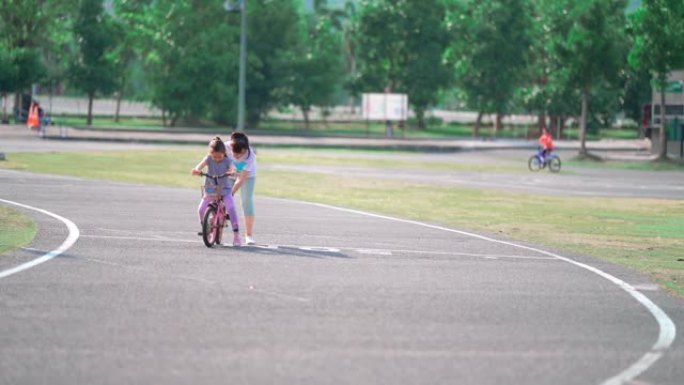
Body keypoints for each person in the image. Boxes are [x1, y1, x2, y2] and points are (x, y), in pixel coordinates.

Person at [191, 136, 241, 246]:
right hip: (210, 188)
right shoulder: (209, 158)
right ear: (211, 154)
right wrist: (197, 170)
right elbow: (200, 165)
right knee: (201, 209)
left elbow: (232, 167)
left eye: (220, 157)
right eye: (215, 157)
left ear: (224, 153)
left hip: (224, 190)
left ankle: (236, 234)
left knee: (231, 208)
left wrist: (232, 171)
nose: (217, 159)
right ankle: (206, 229)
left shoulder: (228, 160)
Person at [229, 131, 257, 245]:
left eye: (240, 155)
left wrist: (231, 193)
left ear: (246, 149)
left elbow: (241, 179)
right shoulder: (225, 146)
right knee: (222, 200)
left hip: (247, 177)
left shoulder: (251, 156)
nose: (237, 157)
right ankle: (216, 231)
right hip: (229, 174)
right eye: (234, 154)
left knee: (247, 201)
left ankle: (248, 235)